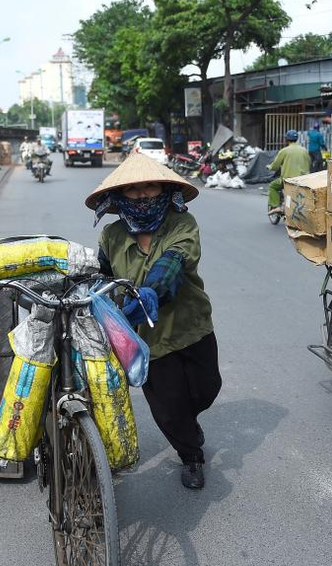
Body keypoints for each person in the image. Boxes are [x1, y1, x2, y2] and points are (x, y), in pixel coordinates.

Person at [85, 154, 222, 489]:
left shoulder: (182, 225)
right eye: (132, 190)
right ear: (119, 197)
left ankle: (189, 425)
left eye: (149, 186)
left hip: (191, 326)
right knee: (169, 410)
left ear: (164, 188)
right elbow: (100, 275)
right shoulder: (110, 237)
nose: (142, 195)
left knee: (208, 389)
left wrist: (151, 293)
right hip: (146, 340)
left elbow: (174, 263)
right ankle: (191, 454)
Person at [267, 129, 311, 215]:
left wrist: (270, 167)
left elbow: (275, 165)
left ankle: (276, 206)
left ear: (286, 139)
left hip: (288, 180)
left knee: (272, 186)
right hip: (303, 180)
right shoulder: (304, 150)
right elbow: (309, 162)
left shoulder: (284, 151)